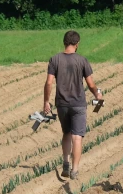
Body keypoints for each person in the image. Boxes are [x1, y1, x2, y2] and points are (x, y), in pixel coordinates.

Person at [44, 30, 103, 181]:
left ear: (64, 42)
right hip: (78, 104)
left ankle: (65, 162)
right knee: (77, 137)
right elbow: (91, 84)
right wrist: (97, 94)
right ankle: (74, 170)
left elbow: (49, 82)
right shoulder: (82, 60)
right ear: (77, 44)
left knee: (66, 133)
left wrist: (46, 101)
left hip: (62, 104)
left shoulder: (55, 59)